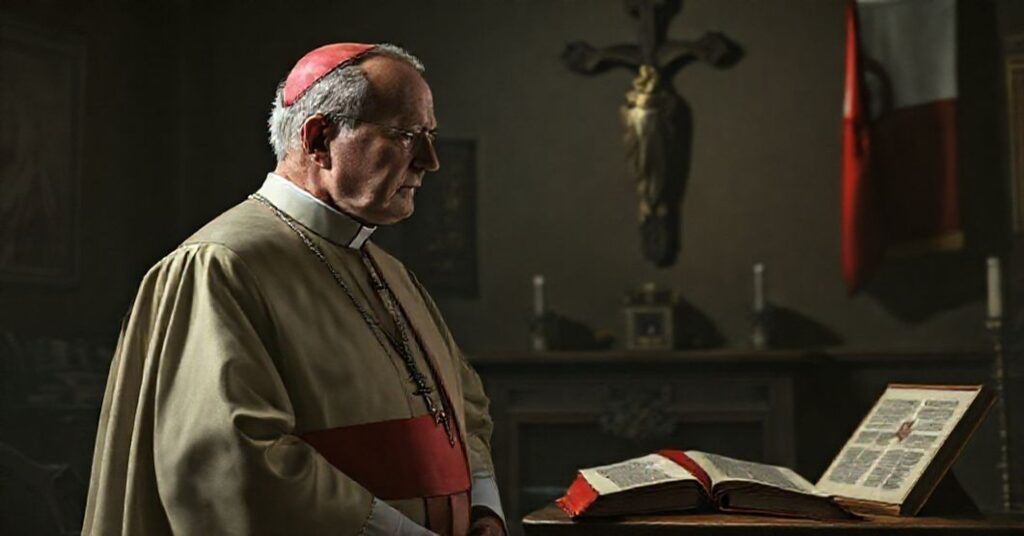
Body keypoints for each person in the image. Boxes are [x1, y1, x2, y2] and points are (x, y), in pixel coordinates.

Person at [83, 43, 506, 536]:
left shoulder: (390, 272)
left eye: (428, 135)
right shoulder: (221, 265)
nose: (430, 161)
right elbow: (234, 461)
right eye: (406, 136)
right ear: (319, 138)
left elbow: (466, 410)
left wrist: (485, 511)